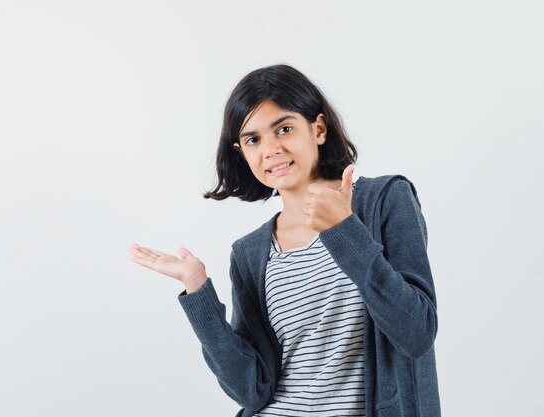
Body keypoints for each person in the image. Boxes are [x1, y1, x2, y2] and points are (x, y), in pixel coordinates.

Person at [129, 64, 441, 417]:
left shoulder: (385, 200)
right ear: (242, 153)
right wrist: (197, 289)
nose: (271, 149)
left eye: (285, 129)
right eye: (253, 139)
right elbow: (251, 390)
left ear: (318, 129)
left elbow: (417, 333)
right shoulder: (249, 254)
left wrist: (343, 230)